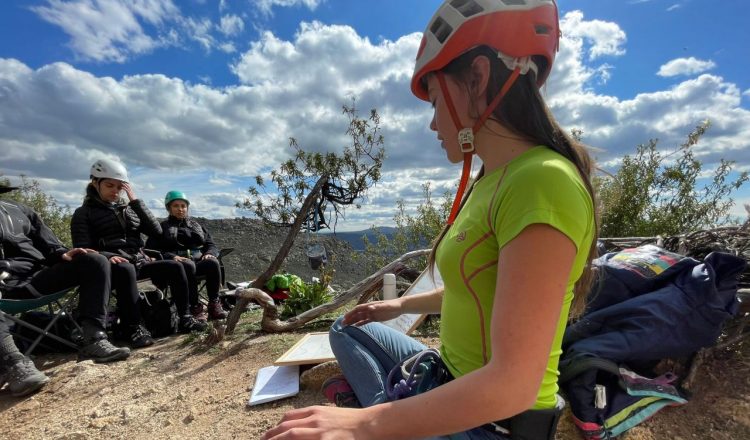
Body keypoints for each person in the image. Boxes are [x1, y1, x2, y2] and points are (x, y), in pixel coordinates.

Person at [262, 1, 598, 439]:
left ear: (477, 78)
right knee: (347, 326)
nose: (433, 122)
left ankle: (387, 408)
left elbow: (514, 385)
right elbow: (476, 287)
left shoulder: (542, 182)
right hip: (448, 375)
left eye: (436, 99)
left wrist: (366, 425)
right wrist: (397, 305)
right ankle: (398, 407)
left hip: (490, 423)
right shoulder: (495, 178)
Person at [0, 182, 130, 397]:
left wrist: (62, 253)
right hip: (4, 288)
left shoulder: (20, 211)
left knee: (94, 260)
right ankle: (13, 365)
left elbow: (50, 245)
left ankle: (94, 338)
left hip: (36, 277)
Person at [70, 159, 207, 347]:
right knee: (126, 269)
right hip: (112, 268)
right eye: (110, 185)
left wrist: (135, 202)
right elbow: (84, 248)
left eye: (120, 187)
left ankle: (185, 317)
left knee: (176, 266)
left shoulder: (129, 210)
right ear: (95, 183)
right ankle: (133, 327)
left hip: (139, 261)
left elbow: (156, 231)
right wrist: (108, 256)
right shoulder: (83, 213)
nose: (115, 191)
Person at [146, 191, 228, 321]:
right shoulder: (161, 228)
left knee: (212, 263)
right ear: (169, 208)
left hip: (197, 261)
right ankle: (194, 307)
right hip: (176, 268)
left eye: (183, 206)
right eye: (176, 206)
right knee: (187, 265)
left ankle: (214, 305)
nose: (180, 209)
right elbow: (151, 250)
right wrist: (171, 257)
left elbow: (211, 244)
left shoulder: (196, 226)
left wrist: (209, 254)